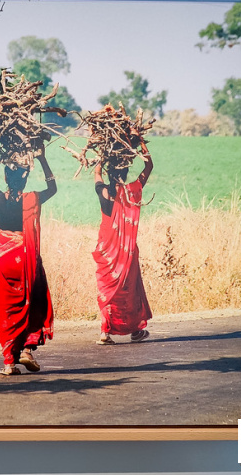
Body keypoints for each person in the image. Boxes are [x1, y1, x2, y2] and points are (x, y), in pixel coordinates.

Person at [0, 147, 56, 375]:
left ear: (6, 177)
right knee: (33, 301)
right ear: (25, 180)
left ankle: (9, 363)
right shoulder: (32, 198)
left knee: (5, 310)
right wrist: (42, 158)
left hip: (2, 262)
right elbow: (53, 188)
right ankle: (27, 349)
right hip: (25, 262)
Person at [92, 139, 153, 345]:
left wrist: (100, 149)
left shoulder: (103, 193)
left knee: (108, 288)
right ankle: (135, 330)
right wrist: (141, 142)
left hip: (106, 250)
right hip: (126, 251)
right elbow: (149, 166)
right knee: (129, 289)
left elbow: (96, 173)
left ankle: (104, 331)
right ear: (126, 174)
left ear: (109, 173)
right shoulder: (132, 191)